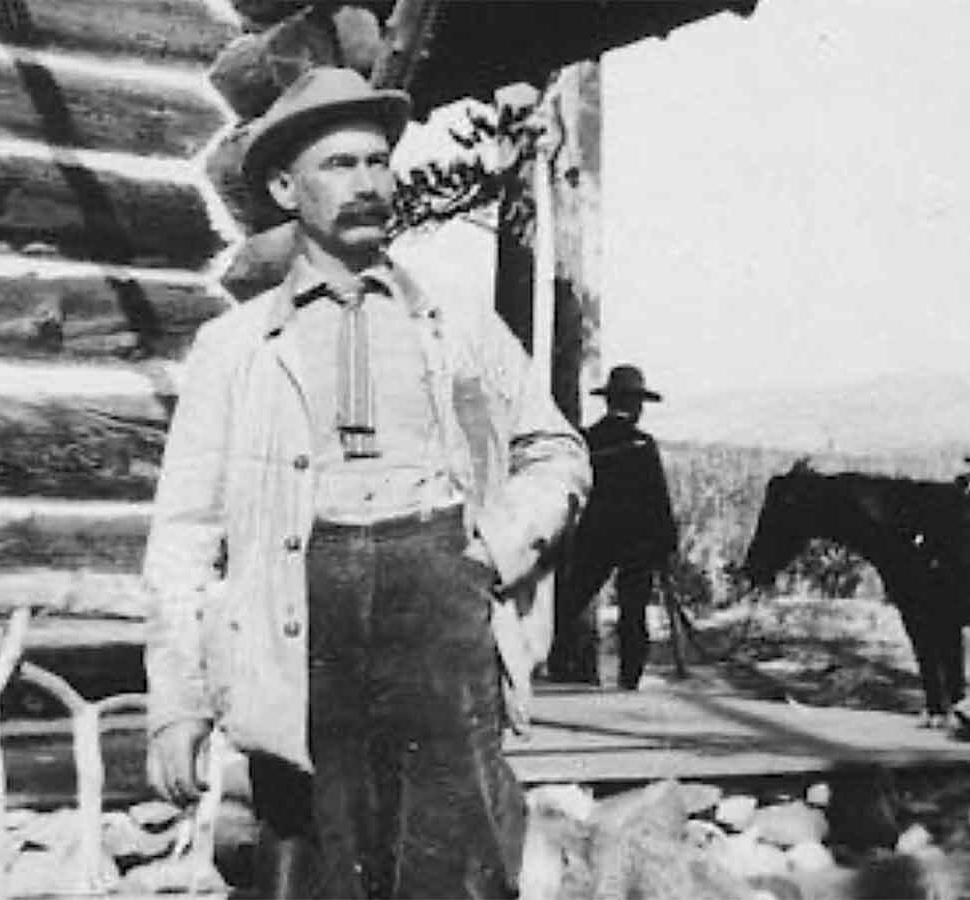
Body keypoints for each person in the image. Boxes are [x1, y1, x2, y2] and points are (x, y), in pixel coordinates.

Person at [140, 67, 590, 899]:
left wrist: (493, 549)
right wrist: (177, 700)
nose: (369, 184)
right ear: (286, 186)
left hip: (440, 615)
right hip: (302, 625)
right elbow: (185, 532)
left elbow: (555, 448)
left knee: (459, 862)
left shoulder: (454, 322)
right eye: (340, 164)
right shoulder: (235, 349)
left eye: (379, 161)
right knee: (311, 865)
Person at [547, 364, 678, 690]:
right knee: (633, 615)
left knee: (569, 603)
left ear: (609, 401)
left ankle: (556, 666)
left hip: (594, 537)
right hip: (638, 544)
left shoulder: (587, 441)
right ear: (635, 405)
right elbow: (658, 501)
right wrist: (666, 544)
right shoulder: (643, 444)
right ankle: (628, 681)